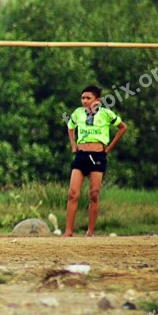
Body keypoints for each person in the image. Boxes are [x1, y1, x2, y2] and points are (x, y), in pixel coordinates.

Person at [64, 85, 127, 237]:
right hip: (81, 155)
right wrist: (73, 144)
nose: (84, 101)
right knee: (73, 193)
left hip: (97, 156)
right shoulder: (78, 113)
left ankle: (90, 231)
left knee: (94, 193)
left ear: (97, 100)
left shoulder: (106, 114)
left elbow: (122, 127)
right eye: (83, 98)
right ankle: (68, 231)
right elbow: (70, 126)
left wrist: (109, 147)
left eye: (88, 98)